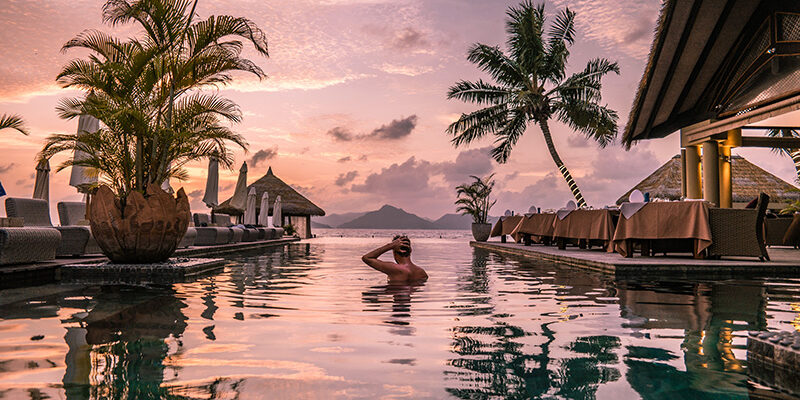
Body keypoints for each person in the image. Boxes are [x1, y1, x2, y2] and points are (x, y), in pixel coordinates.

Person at [361, 235, 427, 283]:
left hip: (397, 298)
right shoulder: (422, 272)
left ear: (394, 251)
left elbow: (366, 258)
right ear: (411, 250)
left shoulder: (394, 269)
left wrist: (390, 246)